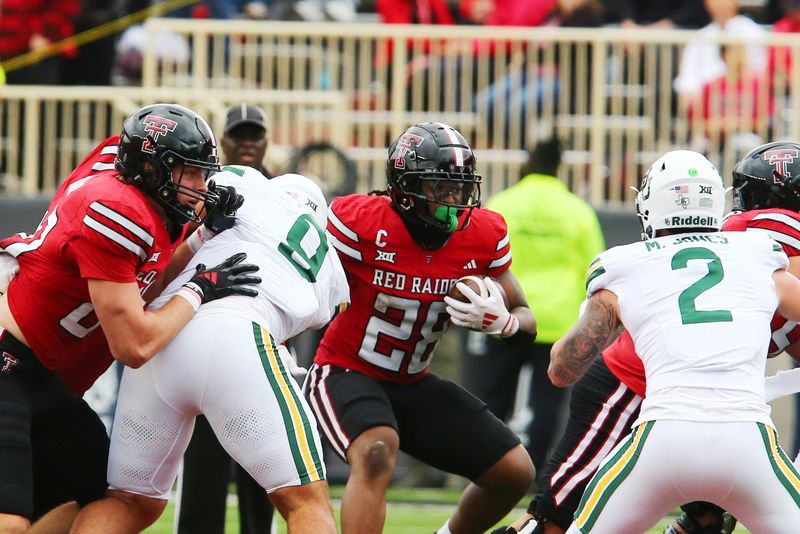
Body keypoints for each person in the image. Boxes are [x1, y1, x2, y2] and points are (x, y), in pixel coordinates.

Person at [495, 141, 800, 534]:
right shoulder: (759, 249)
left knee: (562, 524)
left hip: (662, 432)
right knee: (555, 517)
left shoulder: (627, 263)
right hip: (724, 426)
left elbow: (560, 370)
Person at [0, 102, 261, 533]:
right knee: (9, 522)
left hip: (48, 381)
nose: (202, 186)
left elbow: (145, 285)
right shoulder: (116, 211)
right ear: (151, 169)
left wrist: (200, 238)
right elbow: (134, 344)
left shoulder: (140, 194)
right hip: (9, 366)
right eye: (190, 174)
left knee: (110, 501)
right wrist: (200, 288)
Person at [70, 168, 348, 534]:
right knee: (304, 500)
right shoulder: (332, 268)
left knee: (129, 500)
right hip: (237, 339)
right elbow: (316, 316)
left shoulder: (244, 181)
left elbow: (199, 194)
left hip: (163, 333)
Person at [305, 122, 536, 534]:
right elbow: (297, 278)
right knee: (377, 450)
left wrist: (504, 322)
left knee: (514, 472)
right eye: (441, 189)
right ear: (405, 189)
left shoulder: (482, 234)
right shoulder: (359, 222)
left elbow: (526, 318)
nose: (455, 201)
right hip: (345, 369)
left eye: (461, 189)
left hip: (411, 381)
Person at [462, 136, 604, 472]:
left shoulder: (502, 204)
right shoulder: (578, 212)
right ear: (559, 166)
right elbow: (595, 269)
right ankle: (535, 473)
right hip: (555, 322)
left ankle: (486, 470)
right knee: (546, 406)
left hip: (503, 316)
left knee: (492, 401)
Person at [176, 102, 276, 534]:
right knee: (204, 466)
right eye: (240, 135)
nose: (248, 143)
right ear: (225, 139)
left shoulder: (284, 191)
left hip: (261, 332)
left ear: (267, 140)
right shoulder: (200, 185)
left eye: (255, 135)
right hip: (206, 331)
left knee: (267, 472)